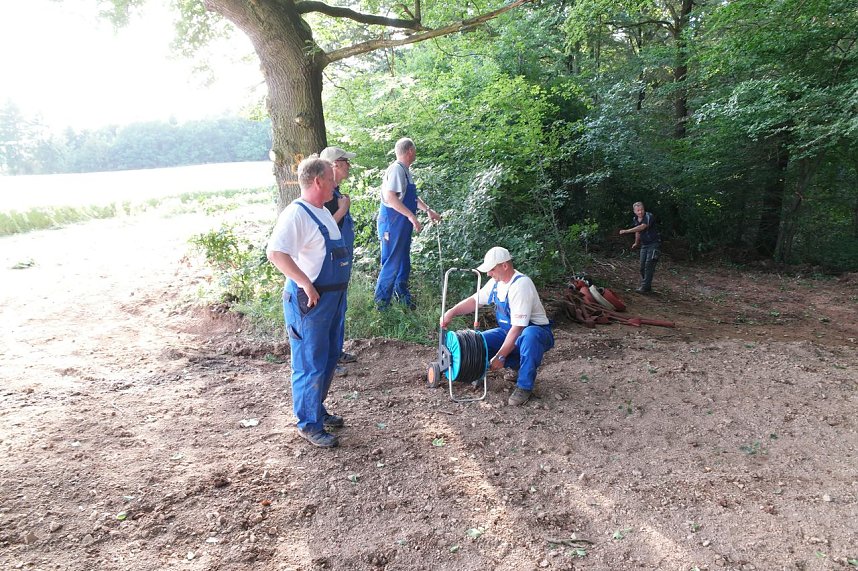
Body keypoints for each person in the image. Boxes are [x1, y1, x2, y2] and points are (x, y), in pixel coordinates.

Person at [266, 156, 351, 448]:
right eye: (330, 178)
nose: (334, 183)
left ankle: (317, 409)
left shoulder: (323, 212)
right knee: (309, 362)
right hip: (310, 302)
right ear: (317, 181)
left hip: (333, 299)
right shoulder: (296, 214)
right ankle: (308, 423)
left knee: (328, 359)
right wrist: (304, 282)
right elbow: (276, 253)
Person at [440, 247, 554, 406]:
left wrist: (500, 356)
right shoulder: (495, 283)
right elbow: (474, 301)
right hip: (508, 331)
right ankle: (485, 371)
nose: (488, 274)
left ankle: (524, 386)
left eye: (492, 269)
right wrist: (451, 312)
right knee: (478, 341)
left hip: (536, 332)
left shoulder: (521, 285)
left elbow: (518, 328)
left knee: (529, 336)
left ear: (505, 266)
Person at [374, 137, 442, 309]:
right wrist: (411, 216)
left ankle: (403, 299)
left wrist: (428, 211)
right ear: (410, 151)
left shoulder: (405, 171)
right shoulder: (396, 170)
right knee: (391, 263)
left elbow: (411, 197)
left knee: (403, 262)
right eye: (415, 150)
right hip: (392, 223)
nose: (416, 153)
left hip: (401, 224)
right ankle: (381, 306)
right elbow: (390, 197)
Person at [320, 146, 358, 368]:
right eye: (345, 162)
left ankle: (336, 351)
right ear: (334, 165)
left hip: (341, 260)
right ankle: (328, 358)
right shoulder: (325, 198)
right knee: (330, 308)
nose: (348, 166)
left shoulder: (337, 194)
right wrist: (342, 210)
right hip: (331, 263)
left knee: (339, 307)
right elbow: (323, 230)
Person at [619, 201, 661, 293]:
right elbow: (637, 232)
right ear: (634, 211)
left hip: (653, 244)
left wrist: (626, 231)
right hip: (644, 245)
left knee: (648, 265)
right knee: (642, 267)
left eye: (641, 210)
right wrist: (636, 243)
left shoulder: (648, 216)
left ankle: (645, 287)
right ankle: (647, 286)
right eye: (638, 210)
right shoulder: (635, 219)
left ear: (644, 209)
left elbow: (642, 227)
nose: (640, 212)